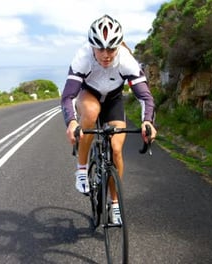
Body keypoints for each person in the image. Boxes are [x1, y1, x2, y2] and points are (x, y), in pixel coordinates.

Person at [60, 14, 157, 224]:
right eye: (100, 49)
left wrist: (147, 121)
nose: (106, 55)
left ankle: (115, 204)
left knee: (115, 149)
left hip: (114, 99)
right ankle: (82, 169)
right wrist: (72, 122)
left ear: (119, 46)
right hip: (89, 94)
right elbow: (67, 96)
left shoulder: (127, 61)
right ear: (91, 46)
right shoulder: (82, 58)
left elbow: (145, 97)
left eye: (111, 49)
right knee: (92, 111)